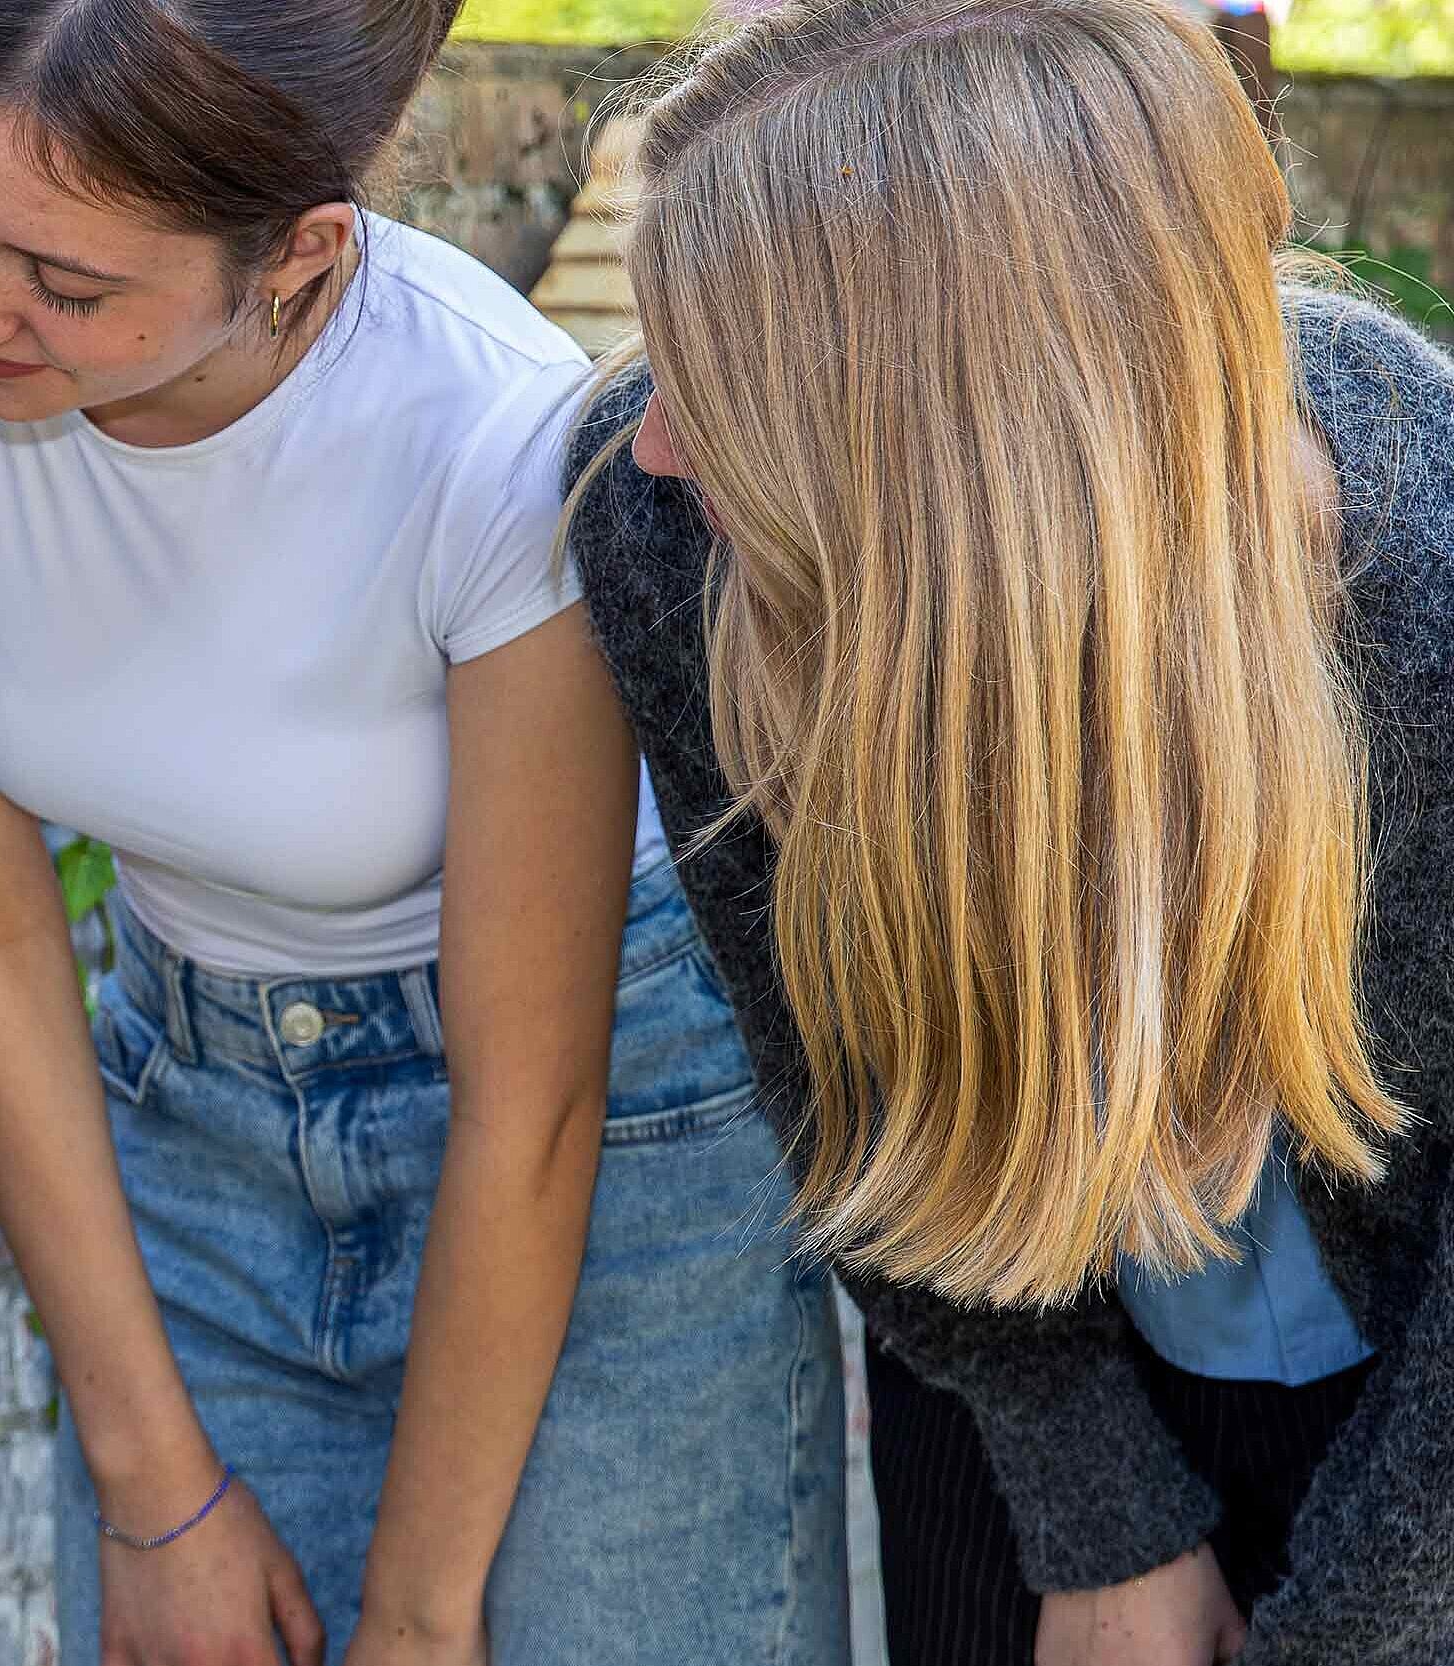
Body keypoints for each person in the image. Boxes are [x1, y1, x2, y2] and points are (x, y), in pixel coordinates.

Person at [0, 0, 848, 1660]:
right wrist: (154, 1484)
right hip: (197, 1115)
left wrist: (413, 1619)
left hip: (602, 1138)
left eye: (66, 282)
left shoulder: (494, 436)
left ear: (301, 254)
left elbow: (531, 1105)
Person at [566, 2, 1454, 1661]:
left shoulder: (1424, 588)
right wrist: (1102, 1520)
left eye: (719, 376)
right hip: (1010, 1348)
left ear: (952, 449)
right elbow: (845, 1088)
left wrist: (1346, 1632)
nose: (661, 435)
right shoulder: (665, 525)